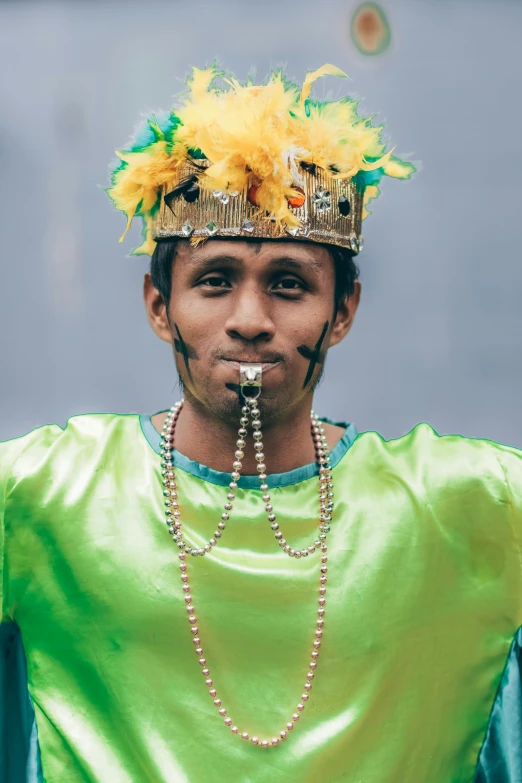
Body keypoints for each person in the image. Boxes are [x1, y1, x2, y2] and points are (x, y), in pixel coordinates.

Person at [0, 63, 520, 783]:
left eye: (289, 283)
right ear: (159, 306)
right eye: (214, 280)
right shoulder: (42, 496)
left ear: (342, 311)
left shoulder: (467, 505)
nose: (249, 320)